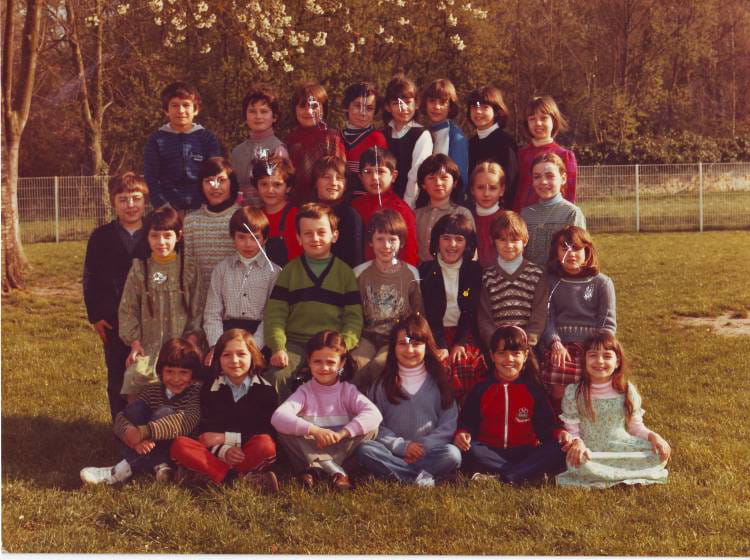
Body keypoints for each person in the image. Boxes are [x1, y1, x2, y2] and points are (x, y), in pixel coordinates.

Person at [263, 203, 363, 400]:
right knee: (275, 377)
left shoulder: (345, 273)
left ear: (334, 235)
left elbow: (354, 318)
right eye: (308, 234)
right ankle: (284, 419)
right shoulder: (289, 272)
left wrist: (342, 346)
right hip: (295, 344)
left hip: (331, 345)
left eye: (321, 232)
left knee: (348, 374)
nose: (315, 238)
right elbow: (275, 314)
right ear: (299, 238)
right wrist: (278, 347)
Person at [357, 314, 462, 487]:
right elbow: (375, 426)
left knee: (452, 454)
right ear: (393, 347)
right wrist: (403, 447)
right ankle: (421, 478)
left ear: (427, 346)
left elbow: (449, 423)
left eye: (416, 344)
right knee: (365, 450)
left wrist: (423, 447)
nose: (409, 350)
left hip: (429, 453)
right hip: (393, 452)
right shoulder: (381, 385)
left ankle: (398, 474)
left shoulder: (440, 383)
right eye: (403, 344)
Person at [80, 338, 202, 485]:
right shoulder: (153, 389)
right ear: (161, 371)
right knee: (135, 409)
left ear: (192, 374)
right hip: (147, 444)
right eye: (169, 371)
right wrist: (133, 438)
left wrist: (143, 432)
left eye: (183, 373)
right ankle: (159, 466)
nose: (176, 379)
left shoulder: (195, 393)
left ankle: (121, 470)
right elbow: (121, 417)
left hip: (175, 450)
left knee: (164, 412)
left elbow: (185, 422)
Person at [557, 332, 671, 488]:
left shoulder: (626, 390)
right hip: (589, 449)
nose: (599, 361)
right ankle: (624, 472)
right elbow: (572, 430)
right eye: (593, 355)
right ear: (584, 360)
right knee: (580, 462)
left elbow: (636, 427)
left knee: (655, 453)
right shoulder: (574, 393)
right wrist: (577, 443)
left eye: (607, 356)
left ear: (617, 362)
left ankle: (607, 474)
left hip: (620, 444)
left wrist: (654, 436)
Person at [454, 325, 566, 483]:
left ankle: (502, 477)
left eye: (515, 353)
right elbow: (467, 422)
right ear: (492, 356)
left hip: (525, 451)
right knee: (469, 451)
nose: (509, 359)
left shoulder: (533, 389)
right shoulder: (481, 388)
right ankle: (525, 473)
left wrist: (559, 433)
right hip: (489, 451)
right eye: (502, 353)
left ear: (525, 355)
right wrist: (462, 433)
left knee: (558, 448)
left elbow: (547, 428)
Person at [170, 329, 280, 491]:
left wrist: (226, 438)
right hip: (215, 452)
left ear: (252, 356)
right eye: (226, 355)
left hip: (246, 452)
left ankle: (208, 476)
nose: (234, 360)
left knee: (266, 445)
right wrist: (224, 451)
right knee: (180, 445)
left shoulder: (266, 390)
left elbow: (266, 430)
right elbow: (207, 434)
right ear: (218, 359)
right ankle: (236, 479)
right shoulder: (210, 388)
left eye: (241, 354)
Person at [271, 330, 382, 490]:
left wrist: (342, 433)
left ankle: (317, 469)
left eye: (330, 362)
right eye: (317, 361)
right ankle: (336, 472)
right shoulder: (304, 391)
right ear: (309, 362)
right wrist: (316, 431)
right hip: (312, 446)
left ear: (341, 363)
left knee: (372, 427)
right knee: (284, 430)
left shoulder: (347, 391)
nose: (324, 368)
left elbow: (374, 414)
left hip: (340, 447)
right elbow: (278, 417)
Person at [83, 173, 150, 422]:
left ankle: (151, 428)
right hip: (113, 320)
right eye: (123, 199)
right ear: (113, 202)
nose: (130, 205)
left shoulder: (157, 232)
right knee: (117, 376)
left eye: (136, 198)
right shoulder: (101, 237)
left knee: (150, 374)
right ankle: (121, 427)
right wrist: (96, 316)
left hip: (151, 318)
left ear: (145, 200)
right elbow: (90, 278)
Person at [118, 207, 204, 399]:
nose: (161, 242)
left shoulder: (189, 268)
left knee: (187, 379)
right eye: (155, 236)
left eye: (167, 235)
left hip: (181, 345)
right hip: (148, 348)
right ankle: (137, 416)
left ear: (178, 236)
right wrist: (134, 343)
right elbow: (128, 309)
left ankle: (180, 417)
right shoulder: (140, 269)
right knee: (135, 376)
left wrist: (192, 340)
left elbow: (198, 308)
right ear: (147, 237)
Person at [540, 226, 616, 413]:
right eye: (564, 248)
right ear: (556, 252)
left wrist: (596, 349)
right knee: (558, 385)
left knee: (588, 387)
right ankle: (560, 421)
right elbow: (547, 318)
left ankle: (589, 419)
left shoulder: (601, 283)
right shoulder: (551, 282)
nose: (570, 254)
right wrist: (555, 343)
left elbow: (607, 322)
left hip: (591, 346)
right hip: (561, 345)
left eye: (576, 248)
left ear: (587, 251)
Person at [418, 214, 486, 405]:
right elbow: (430, 314)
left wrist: (459, 343)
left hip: (465, 332)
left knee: (465, 364)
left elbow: (470, 311)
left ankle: (465, 415)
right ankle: (440, 414)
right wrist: (440, 345)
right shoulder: (425, 270)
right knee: (439, 366)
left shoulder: (474, 271)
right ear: (437, 241)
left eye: (459, 239)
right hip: (434, 332)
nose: (452, 245)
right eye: (446, 238)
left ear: (467, 244)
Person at [352, 209, 423, 390]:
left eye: (392, 240)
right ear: (370, 241)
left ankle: (381, 404)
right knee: (356, 364)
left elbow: (418, 312)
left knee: (380, 365)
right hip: (366, 336)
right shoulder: (359, 273)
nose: (386, 245)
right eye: (380, 239)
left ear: (402, 242)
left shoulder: (411, 273)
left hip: (395, 338)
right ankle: (355, 404)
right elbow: (353, 311)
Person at [202, 207, 281, 364]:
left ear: (264, 239)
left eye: (255, 238)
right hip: (226, 335)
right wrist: (217, 346)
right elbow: (212, 313)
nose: (248, 244)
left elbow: (271, 317)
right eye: (241, 237)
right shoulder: (222, 269)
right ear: (233, 237)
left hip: (259, 336)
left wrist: (253, 348)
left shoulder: (274, 272)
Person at [143, 81, 222, 212]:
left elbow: (215, 174)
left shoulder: (207, 138)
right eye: (174, 105)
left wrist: (207, 204)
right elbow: (151, 177)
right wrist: (163, 206)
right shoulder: (156, 140)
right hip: (168, 211)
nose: (180, 111)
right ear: (166, 110)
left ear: (196, 110)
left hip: (202, 210)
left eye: (186, 105)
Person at [477, 210, 548, 350]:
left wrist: (525, 346)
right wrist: (497, 346)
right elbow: (484, 318)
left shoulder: (537, 274)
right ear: (493, 241)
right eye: (502, 240)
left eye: (515, 240)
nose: (508, 245)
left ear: (525, 241)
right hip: (497, 349)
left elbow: (539, 317)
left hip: (527, 349)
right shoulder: (487, 276)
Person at [183, 157, 242, 303]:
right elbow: (188, 270)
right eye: (209, 181)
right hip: (201, 304)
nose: (215, 186)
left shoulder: (243, 217)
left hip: (237, 303)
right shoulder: (191, 222)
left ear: (232, 183)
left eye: (221, 180)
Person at [350, 146, 419, 266]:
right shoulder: (355, 207)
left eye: (381, 171)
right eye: (368, 172)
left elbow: (410, 253)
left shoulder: (402, 211)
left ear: (393, 176)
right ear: (360, 177)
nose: (374, 177)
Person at [512, 95, 577, 212]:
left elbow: (569, 196)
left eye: (543, 118)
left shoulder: (565, 156)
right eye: (532, 119)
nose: (538, 123)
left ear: (554, 120)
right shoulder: (520, 155)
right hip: (521, 218)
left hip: (553, 218)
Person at [520, 153, 586, 267]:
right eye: (537, 176)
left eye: (550, 176)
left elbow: (576, 254)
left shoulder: (571, 213)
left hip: (559, 276)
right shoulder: (525, 214)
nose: (543, 182)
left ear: (563, 178)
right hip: (529, 276)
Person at [285, 82, 346, 205]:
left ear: (324, 108)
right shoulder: (290, 140)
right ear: (294, 109)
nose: (309, 111)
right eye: (302, 106)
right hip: (296, 204)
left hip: (325, 206)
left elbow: (339, 175)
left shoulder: (331, 137)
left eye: (314, 106)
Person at [230, 83, 288, 207]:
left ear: (274, 117)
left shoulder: (278, 149)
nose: (258, 116)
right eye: (252, 111)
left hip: (268, 212)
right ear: (245, 115)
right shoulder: (237, 152)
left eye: (264, 111)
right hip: (241, 213)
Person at [381, 74, 433, 208]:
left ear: (416, 104)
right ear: (387, 107)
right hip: (385, 204)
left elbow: (415, 176)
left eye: (408, 102)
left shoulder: (421, 135)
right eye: (396, 103)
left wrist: (406, 206)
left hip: (410, 205)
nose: (403, 108)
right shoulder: (382, 134)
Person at [414, 154, 475, 263]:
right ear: (423, 184)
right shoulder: (415, 215)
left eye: (444, 178)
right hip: (421, 270)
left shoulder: (463, 213)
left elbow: (471, 248)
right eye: (431, 178)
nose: (438, 183)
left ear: (455, 182)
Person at [467, 86, 518, 208]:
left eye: (485, 107)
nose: (478, 112)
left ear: (496, 112)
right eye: (474, 107)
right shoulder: (471, 143)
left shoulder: (505, 142)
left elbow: (511, 183)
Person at [311, 155, 364, 268]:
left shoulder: (350, 216)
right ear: (315, 182)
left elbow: (355, 262)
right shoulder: (307, 214)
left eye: (339, 178)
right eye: (326, 177)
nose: (333, 183)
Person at [421, 79, 469, 199]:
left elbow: (460, 180)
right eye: (432, 101)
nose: (436, 107)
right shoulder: (422, 132)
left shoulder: (455, 138)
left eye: (442, 102)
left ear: (450, 107)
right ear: (425, 103)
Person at [253, 156, 303, 266]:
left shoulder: (296, 217)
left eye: (277, 185)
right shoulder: (254, 217)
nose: (270, 190)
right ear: (257, 186)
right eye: (264, 184)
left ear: (288, 187)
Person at [340, 81, 388, 193]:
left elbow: (380, 180)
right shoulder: (336, 137)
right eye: (357, 106)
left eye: (369, 108)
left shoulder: (377, 139)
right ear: (346, 107)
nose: (363, 113)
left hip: (366, 199)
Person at [469, 161, 507, 268]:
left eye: (493, 188)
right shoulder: (467, 218)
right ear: (472, 189)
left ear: (502, 190)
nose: (486, 193)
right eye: (480, 187)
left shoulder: (507, 221)